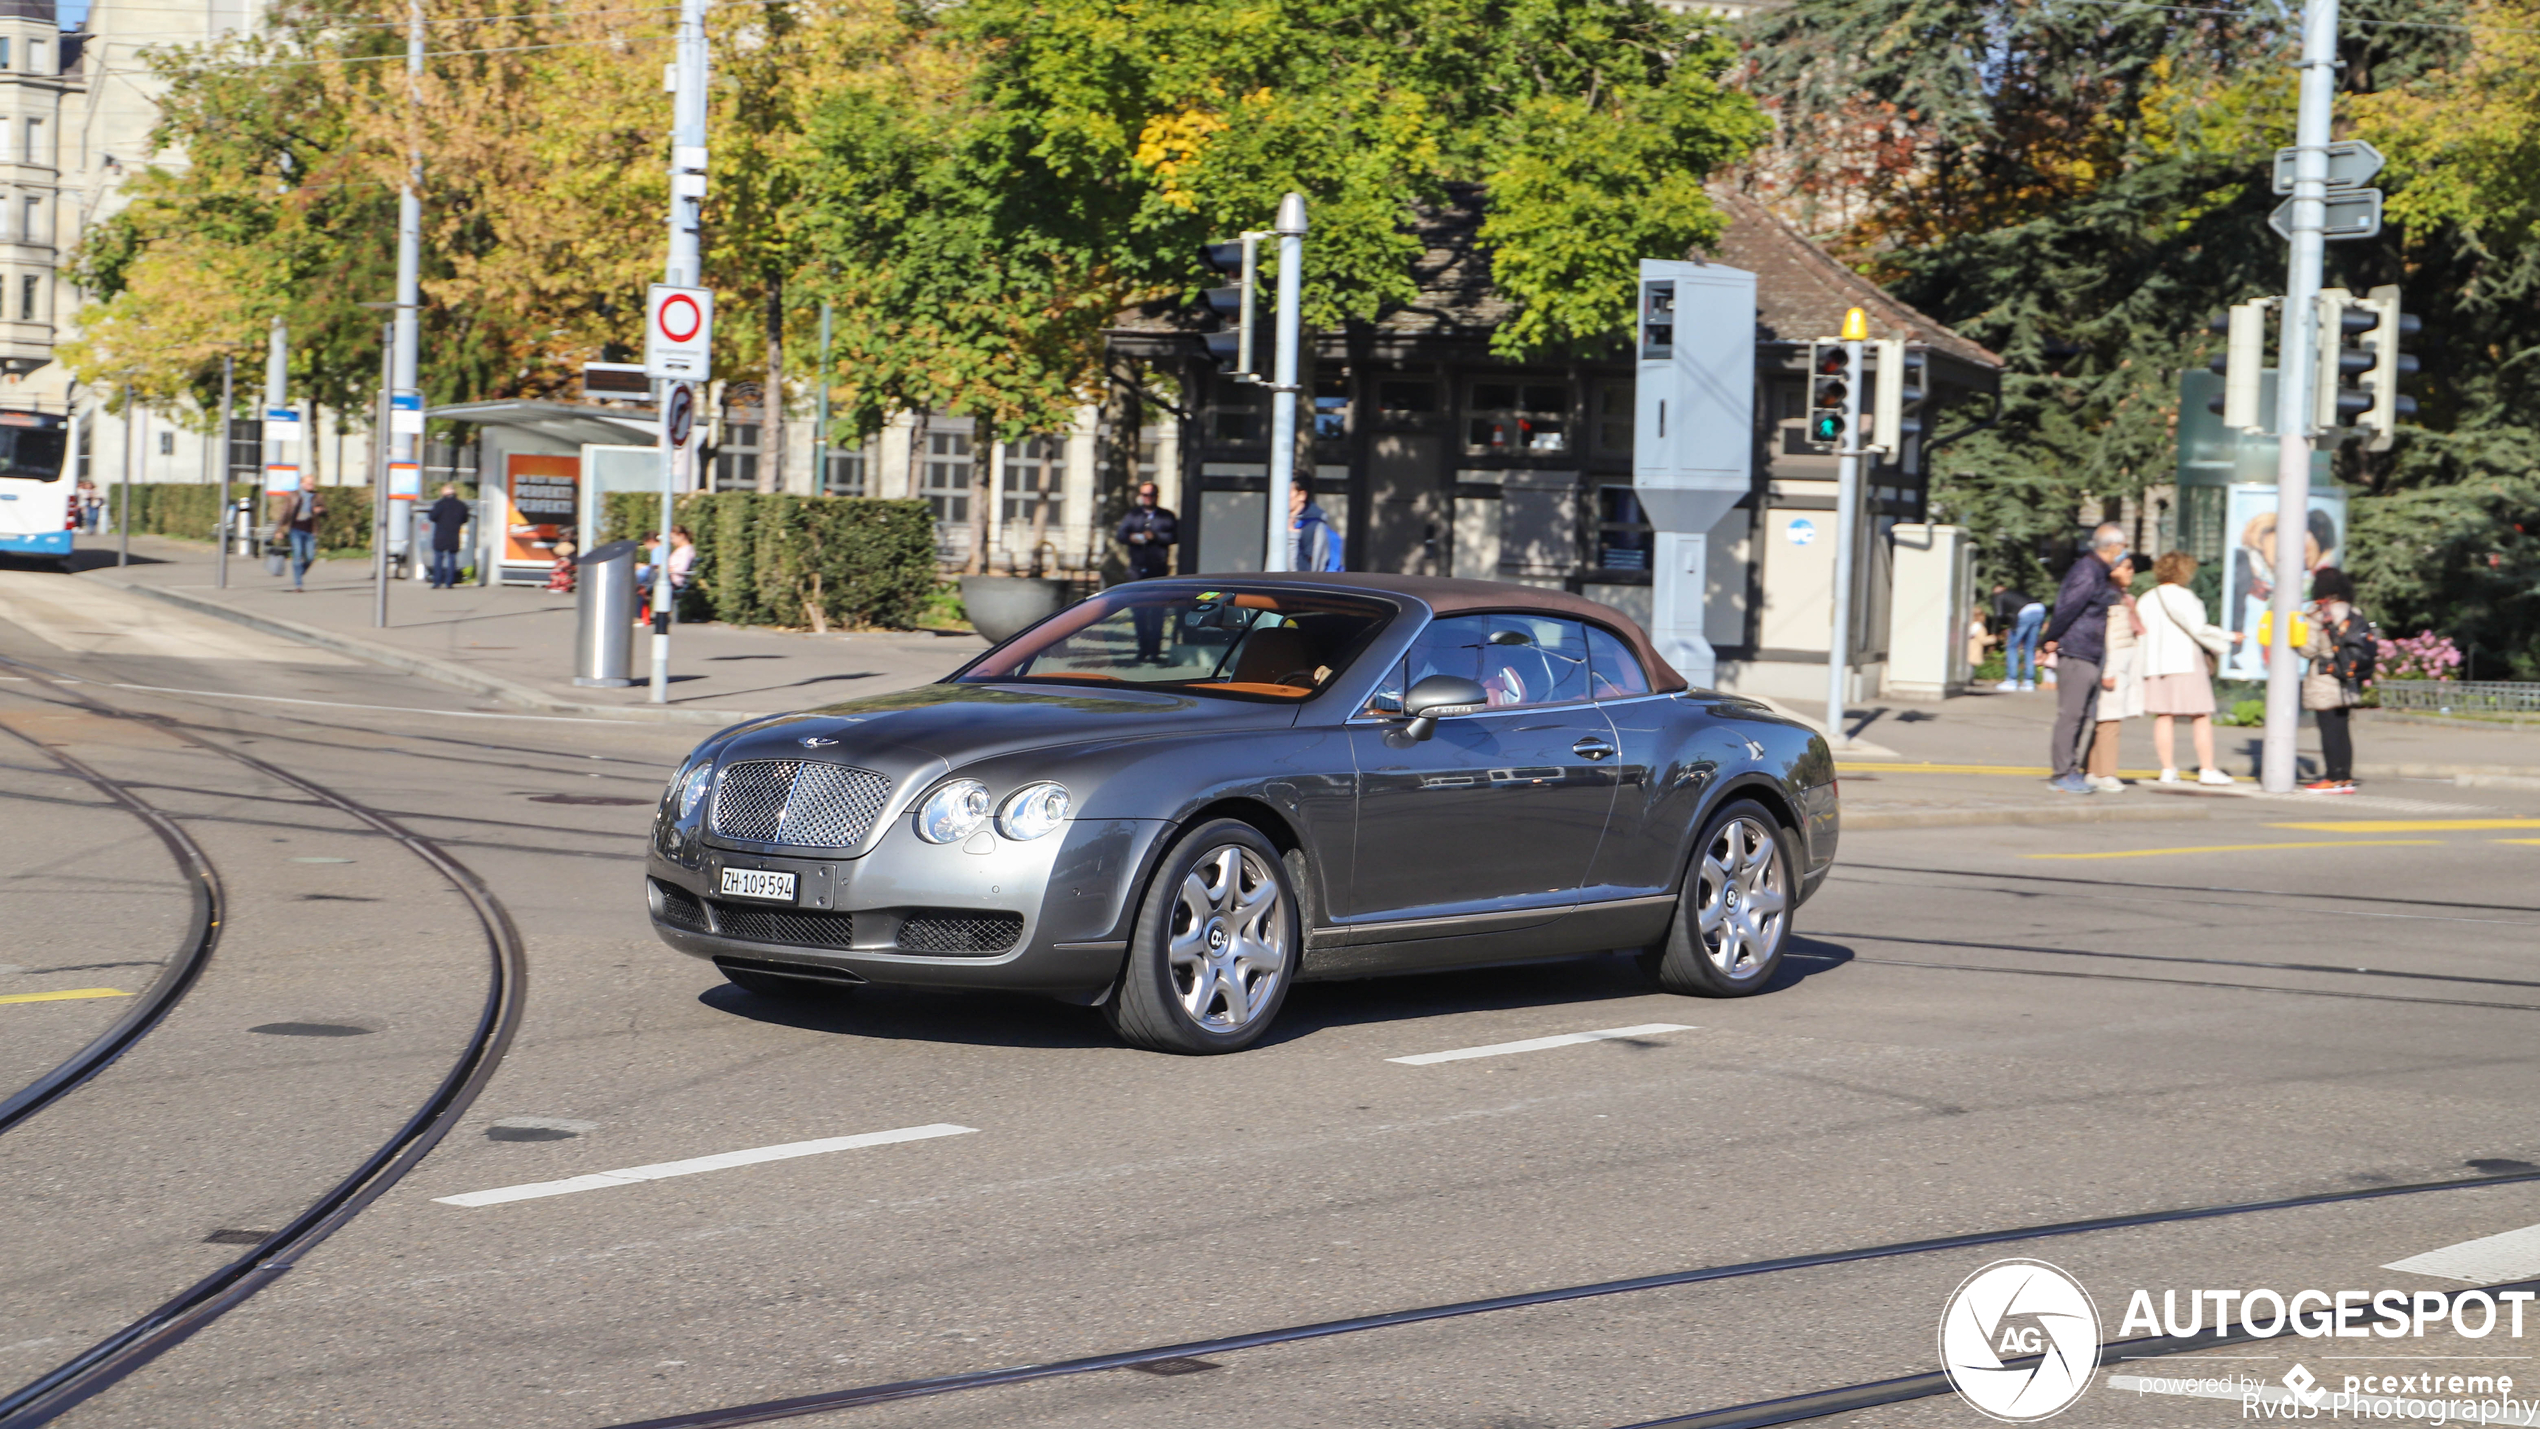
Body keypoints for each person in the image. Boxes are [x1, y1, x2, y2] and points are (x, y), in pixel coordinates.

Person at [2138, 549, 2242, 786]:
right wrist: (2228, 638)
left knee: (2163, 716)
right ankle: (2207, 768)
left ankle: (2167, 769)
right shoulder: (2185, 597)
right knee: (2200, 715)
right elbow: (2199, 628)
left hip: (2155, 664)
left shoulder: (2146, 598)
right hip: (2184, 661)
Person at [2040, 523, 2127, 793]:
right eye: (2122, 546)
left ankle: (2069, 770)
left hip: (2088, 650)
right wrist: (2051, 638)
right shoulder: (2088, 571)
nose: (2122, 552)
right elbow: (2068, 607)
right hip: (2078, 650)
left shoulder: (2098, 571)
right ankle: (2062, 773)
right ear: (2113, 546)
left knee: (2079, 715)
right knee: (2072, 715)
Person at [2301, 566, 2369, 793]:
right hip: (2347, 678)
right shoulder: (2353, 612)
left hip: (2324, 677)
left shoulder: (2318, 614)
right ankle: (2345, 778)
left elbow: (2308, 650)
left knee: (2328, 729)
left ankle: (2331, 777)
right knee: (2342, 729)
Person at [2085, 553, 2146, 792]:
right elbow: (2108, 637)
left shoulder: (2123, 598)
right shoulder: (2110, 598)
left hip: (2122, 664)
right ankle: (2106, 773)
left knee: (2107, 719)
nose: (2131, 572)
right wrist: (2108, 670)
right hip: (2113, 665)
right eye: (2125, 568)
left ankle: (2093, 770)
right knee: (2109, 720)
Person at [1115, 482, 1178, 662]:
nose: (1147, 498)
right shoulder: (1133, 515)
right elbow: (1120, 535)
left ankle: (1155, 652)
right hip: (1136, 569)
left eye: (1150, 495)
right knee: (1139, 612)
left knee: (1157, 612)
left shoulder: (1166, 516)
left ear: (1156, 496)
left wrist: (1155, 537)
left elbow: (1174, 536)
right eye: (1144, 495)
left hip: (1158, 569)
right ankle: (1142, 650)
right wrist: (1131, 537)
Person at [273, 478, 324, 591]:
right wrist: (279, 530)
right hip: (295, 529)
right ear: (302, 484)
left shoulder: (317, 496)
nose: (311, 485)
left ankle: (299, 572)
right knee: (297, 554)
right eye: (308, 483)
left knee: (310, 557)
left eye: (312, 483)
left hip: (310, 530)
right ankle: (298, 584)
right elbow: (285, 512)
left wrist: (320, 510)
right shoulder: (292, 495)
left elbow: (325, 510)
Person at [1996, 584, 2044, 691]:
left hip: (2024, 612)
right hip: (2039, 608)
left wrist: (1996, 631)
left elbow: (1999, 614)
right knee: (2029, 648)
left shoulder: (1999, 596)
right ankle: (2029, 682)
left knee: (2012, 647)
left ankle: (2011, 680)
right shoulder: (2016, 592)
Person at [1290, 481, 1342, 573]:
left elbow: (1307, 575)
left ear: (1301, 495)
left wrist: (1291, 537)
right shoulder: (1283, 523)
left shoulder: (1313, 528)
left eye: (1288, 491)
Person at [425, 484, 470, 589]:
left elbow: (432, 517)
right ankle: (449, 582)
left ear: (444, 492)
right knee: (452, 558)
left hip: (440, 534)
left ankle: (437, 582)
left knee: (438, 558)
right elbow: (465, 519)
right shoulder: (461, 505)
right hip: (454, 534)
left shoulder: (439, 504)